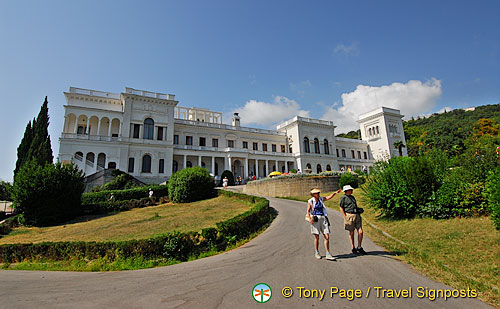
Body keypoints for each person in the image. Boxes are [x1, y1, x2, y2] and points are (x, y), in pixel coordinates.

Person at [306, 188, 342, 260]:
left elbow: (329, 197)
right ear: (313, 194)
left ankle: (328, 253)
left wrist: (335, 193)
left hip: (323, 218)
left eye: (318, 193)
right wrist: (310, 219)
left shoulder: (321, 199)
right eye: (316, 193)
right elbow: (308, 210)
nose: (318, 194)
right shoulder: (310, 201)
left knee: (327, 236)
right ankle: (317, 252)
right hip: (315, 219)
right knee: (317, 237)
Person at [339, 185, 366, 255]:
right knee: (351, 232)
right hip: (349, 215)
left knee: (360, 231)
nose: (351, 190)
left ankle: (359, 247)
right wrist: (345, 216)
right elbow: (341, 207)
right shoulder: (343, 198)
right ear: (346, 191)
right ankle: (353, 247)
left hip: (356, 215)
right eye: (350, 190)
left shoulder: (352, 197)